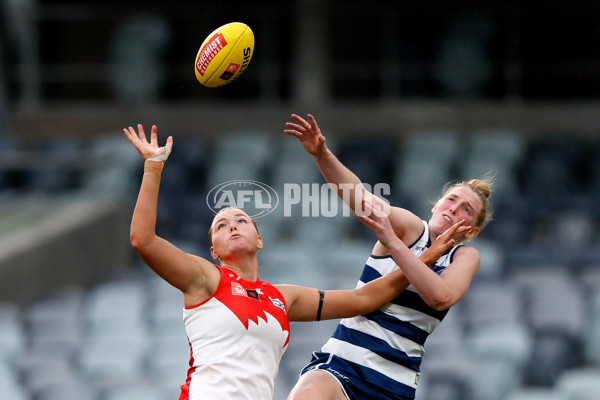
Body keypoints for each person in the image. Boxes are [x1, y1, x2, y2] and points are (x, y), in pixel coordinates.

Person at [121, 124, 465, 400]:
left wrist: (425, 258)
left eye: (241, 220)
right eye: (221, 226)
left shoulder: (281, 298)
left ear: (259, 239)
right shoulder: (204, 279)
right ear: (213, 250)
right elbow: (143, 240)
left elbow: (364, 299)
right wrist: (153, 167)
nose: (232, 225)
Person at [284, 113, 494, 400]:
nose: (454, 208)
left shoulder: (465, 256)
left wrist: (393, 244)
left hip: (394, 383)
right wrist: (322, 154)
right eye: (451, 200)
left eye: (466, 209)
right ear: (436, 206)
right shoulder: (409, 226)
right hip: (343, 363)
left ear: (471, 232)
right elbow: (359, 198)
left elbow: (440, 297)